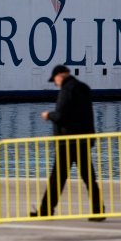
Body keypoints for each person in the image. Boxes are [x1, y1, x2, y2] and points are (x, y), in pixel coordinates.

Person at [34, 64, 105, 221]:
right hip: (83, 140)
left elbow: (62, 115)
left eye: (55, 79)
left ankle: (45, 210)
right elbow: (85, 115)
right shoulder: (84, 88)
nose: (55, 83)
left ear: (62, 75)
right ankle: (98, 210)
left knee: (56, 178)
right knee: (89, 178)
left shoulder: (67, 90)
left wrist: (48, 115)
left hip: (67, 142)